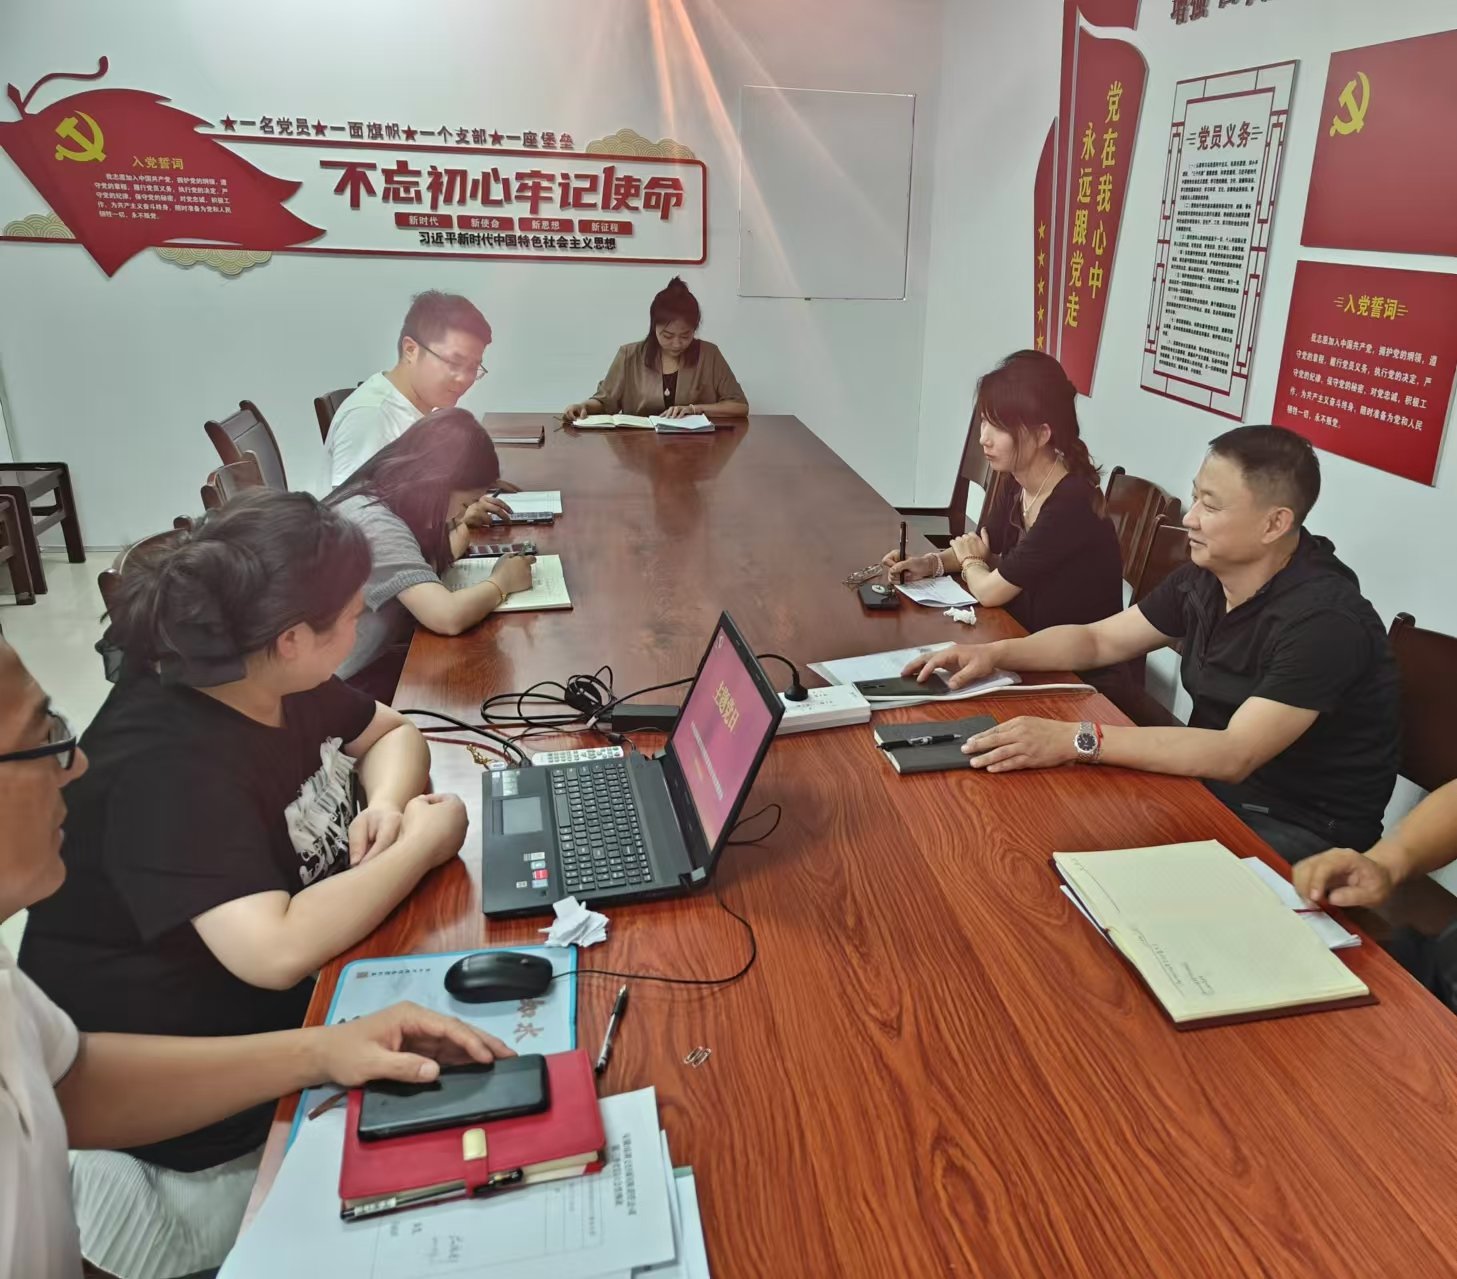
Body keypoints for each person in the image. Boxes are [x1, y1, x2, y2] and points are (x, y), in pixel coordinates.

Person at [17, 491, 482, 1273]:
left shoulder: (260, 674)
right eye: (351, 613)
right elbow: (274, 950)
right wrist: (420, 845)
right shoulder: (168, 761)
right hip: (200, 1134)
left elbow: (392, 732)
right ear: (293, 638)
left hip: (303, 1032)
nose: (362, 620)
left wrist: (388, 805)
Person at [904, 425, 1401, 863]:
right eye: (1195, 497)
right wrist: (992, 654)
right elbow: (1099, 640)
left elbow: (1234, 753)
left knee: (1073, 842)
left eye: (1211, 505)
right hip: (1211, 788)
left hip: (1302, 831)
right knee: (1030, 817)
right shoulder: (1207, 577)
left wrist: (1074, 739)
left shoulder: (1324, 621)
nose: (1191, 518)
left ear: (1275, 523)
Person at [881, 350, 1122, 640]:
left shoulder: (1071, 504)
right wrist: (929, 564)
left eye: (998, 427)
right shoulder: (1018, 482)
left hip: (1075, 660)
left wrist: (971, 561)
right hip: (1027, 638)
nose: (984, 438)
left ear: (1042, 434)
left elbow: (989, 591)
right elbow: (982, 543)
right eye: (984, 421)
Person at [327, 409, 536, 697]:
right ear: (435, 485)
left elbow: (428, 562)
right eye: (465, 503)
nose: (462, 513)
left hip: (368, 663)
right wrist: (501, 583)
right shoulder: (374, 523)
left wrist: (461, 524)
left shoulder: (384, 494)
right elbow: (446, 616)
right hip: (336, 686)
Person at [318, 289, 496, 491]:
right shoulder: (371, 416)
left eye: (473, 367)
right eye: (454, 363)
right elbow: (352, 507)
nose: (464, 379)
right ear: (411, 350)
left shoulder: (424, 408)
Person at [563, 276, 749, 422]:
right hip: (639, 447)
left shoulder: (709, 354)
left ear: (695, 329)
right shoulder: (629, 355)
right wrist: (582, 406)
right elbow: (605, 401)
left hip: (696, 447)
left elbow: (739, 406)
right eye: (667, 336)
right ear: (654, 327)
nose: (677, 343)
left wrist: (694, 409)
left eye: (685, 336)